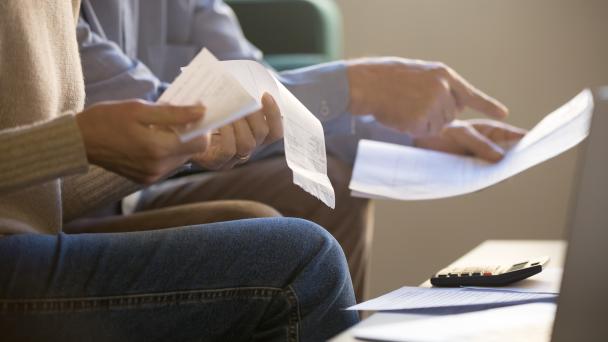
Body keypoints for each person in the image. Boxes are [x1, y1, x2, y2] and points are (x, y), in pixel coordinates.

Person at [75, 0, 527, 301]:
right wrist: (360, 85)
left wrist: (412, 136)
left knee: (328, 185)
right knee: (270, 234)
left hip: (136, 194)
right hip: (71, 204)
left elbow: (263, 103)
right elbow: (158, 118)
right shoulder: (55, 13)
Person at [0, 1, 359, 340]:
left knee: (271, 222)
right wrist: (74, 143)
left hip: (34, 240)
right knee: (303, 261)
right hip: (20, 253)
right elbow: (71, 144)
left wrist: (180, 149)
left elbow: (41, 190)